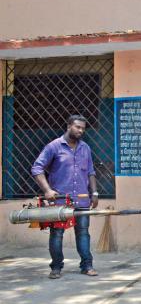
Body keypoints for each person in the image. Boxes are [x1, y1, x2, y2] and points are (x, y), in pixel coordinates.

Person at [31, 115, 99, 279]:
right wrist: (47, 190)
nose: (81, 131)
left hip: (82, 200)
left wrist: (94, 193)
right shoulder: (53, 147)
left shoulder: (85, 148)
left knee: (83, 233)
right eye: (77, 127)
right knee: (57, 234)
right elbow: (37, 169)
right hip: (60, 202)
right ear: (69, 126)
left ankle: (87, 265)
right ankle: (56, 267)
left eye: (83, 128)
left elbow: (90, 172)